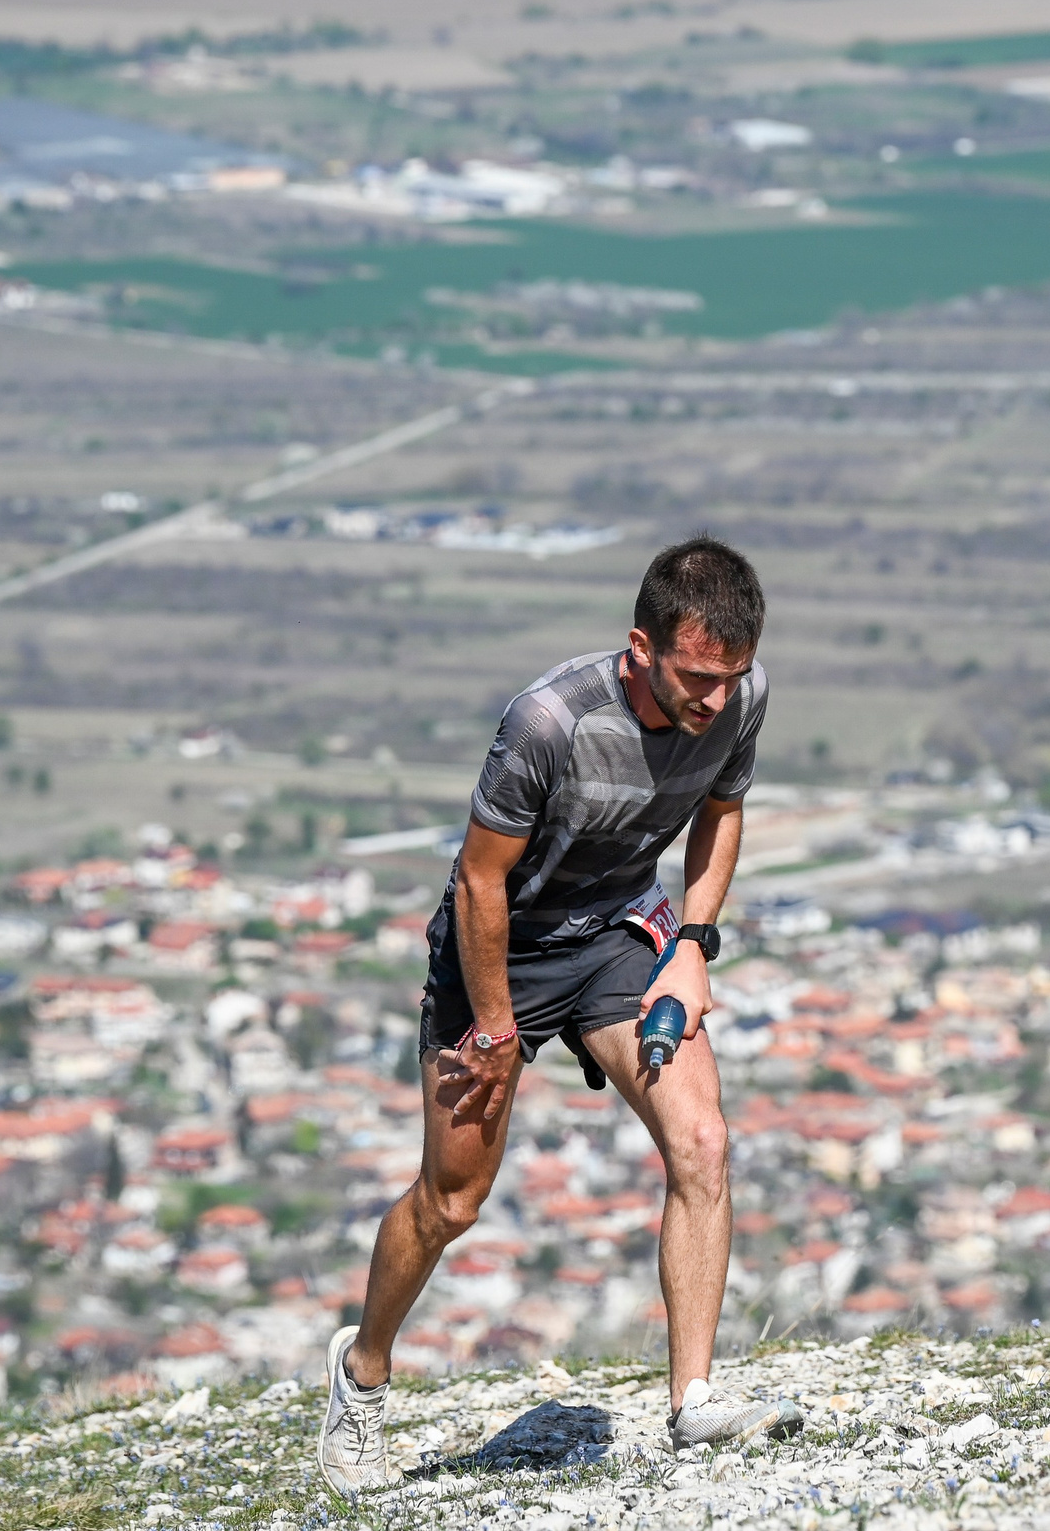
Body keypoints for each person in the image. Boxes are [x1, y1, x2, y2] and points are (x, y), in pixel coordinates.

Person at [317, 536, 804, 1494]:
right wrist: (496, 1030)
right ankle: (363, 1370)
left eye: (729, 678)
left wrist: (693, 948)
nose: (712, 701)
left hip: (619, 929)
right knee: (453, 1197)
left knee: (701, 1141)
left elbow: (722, 809)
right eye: (695, 677)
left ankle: (694, 1398)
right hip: (500, 949)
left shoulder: (740, 696)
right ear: (641, 645)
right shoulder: (548, 721)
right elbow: (479, 883)